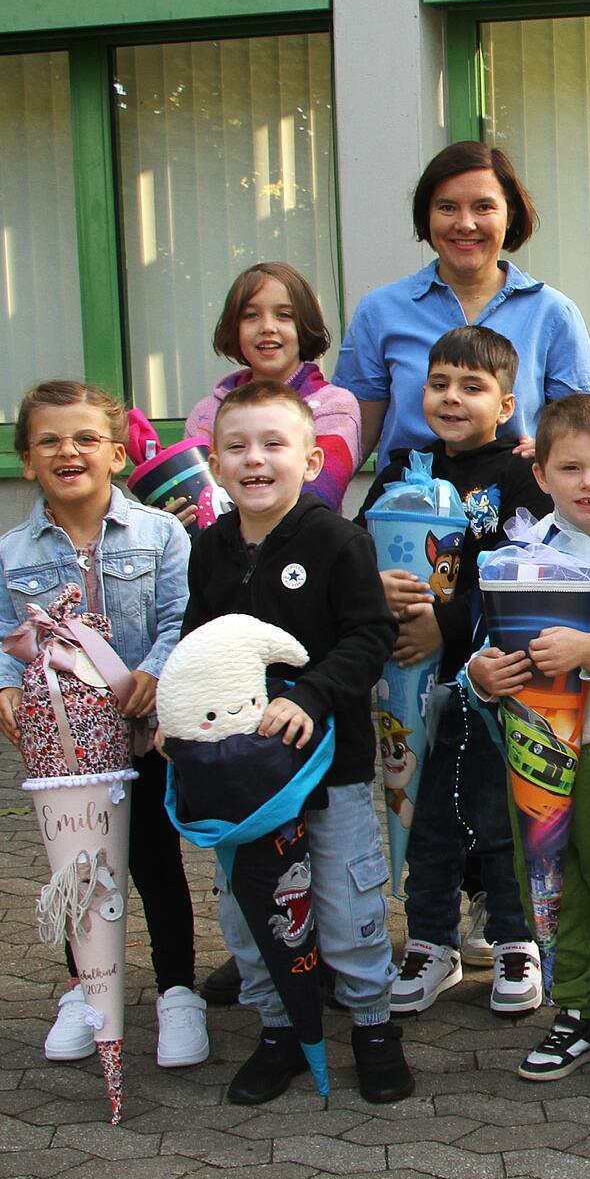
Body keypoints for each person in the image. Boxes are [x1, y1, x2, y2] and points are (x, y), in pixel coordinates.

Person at [182, 379, 406, 1105]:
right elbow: (195, 641)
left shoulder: (339, 541)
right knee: (249, 909)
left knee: (344, 903)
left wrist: (312, 694)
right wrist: (177, 717)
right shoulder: (209, 549)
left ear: (311, 461)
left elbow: (369, 637)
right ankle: (277, 1028)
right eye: (237, 446)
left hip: (330, 769)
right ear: (214, 464)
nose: (255, 460)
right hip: (240, 784)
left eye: (274, 444)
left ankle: (373, 1027)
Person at [0, 380, 206, 1070]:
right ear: (26, 460)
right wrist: (0, 689)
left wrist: (156, 673)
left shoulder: (163, 534)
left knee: (156, 865)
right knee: (80, 871)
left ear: (115, 454)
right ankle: (86, 991)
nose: (65, 450)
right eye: (48, 440)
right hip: (67, 750)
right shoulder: (12, 551)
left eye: (83, 438)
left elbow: (181, 616)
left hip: (144, 735)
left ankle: (176, 994)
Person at [468, 394, 590, 1093]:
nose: (589, 482)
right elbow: (484, 648)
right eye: (570, 468)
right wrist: (481, 676)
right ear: (541, 473)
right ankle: (573, 1003)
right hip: (537, 749)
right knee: (552, 882)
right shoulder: (519, 549)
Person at [355, 326, 551, 1019]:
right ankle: (430, 941)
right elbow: (358, 552)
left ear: (505, 404)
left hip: (492, 683)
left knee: (498, 816)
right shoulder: (402, 467)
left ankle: (513, 939)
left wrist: (448, 621)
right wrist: (381, 601)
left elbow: (528, 576)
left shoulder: (520, 475)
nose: (451, 397)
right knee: (425, 813)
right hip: (408, 687)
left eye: (472, 387)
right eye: (439, 383)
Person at [334, 141, 590, 466]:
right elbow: (349, 439)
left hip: (518, 509)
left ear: (510, 213)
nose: (465, 223)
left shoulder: (553, 313)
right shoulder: (380, 312)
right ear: (426, 216)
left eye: (483, 207)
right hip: (407, 509)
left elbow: (587, 437)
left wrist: (551, 448)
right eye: (447, 207)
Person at [185, 262, 361, 511]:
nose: (267, 327)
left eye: (284, 315)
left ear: (304, 325)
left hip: (307, 545)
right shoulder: (205, 413)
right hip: (223, 546)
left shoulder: (335, 406)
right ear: (234, 329)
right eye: (251, 316)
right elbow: (195, 497)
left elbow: (320, 494)